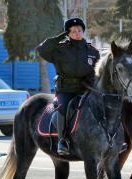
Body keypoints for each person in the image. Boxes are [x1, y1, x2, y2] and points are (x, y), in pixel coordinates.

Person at [36, 17, 100, 155]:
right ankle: (62, 140)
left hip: (86, 90)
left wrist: (90, 79)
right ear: (68, 34)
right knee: (63, 108)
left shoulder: (92, 51)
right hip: (66, 90)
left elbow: (97, 71)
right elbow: (42, 50)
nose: (77, 33)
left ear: (83, 31)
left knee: (103, 104)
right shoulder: (60, 49)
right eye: (72, 31)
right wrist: (59, 37)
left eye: (79, 30)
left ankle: (110, 138)